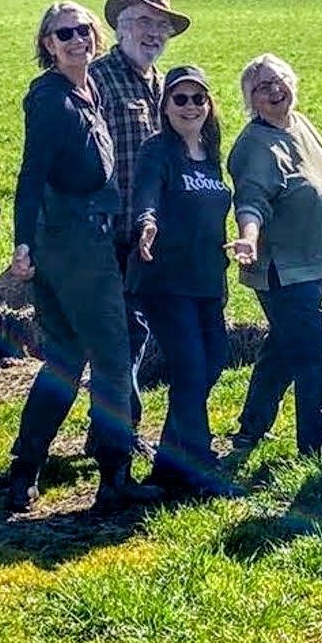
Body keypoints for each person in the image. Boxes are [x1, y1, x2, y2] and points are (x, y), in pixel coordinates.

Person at [5, 1, 162, 513]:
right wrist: (22, 242)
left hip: (80, 238)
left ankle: (23, 470)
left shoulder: (88, 89)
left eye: (83, 31)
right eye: (63, 34)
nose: (77, 40)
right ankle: (114, 479)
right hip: (74, 242)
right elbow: (30, 175)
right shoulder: (52, 99)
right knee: (113, 357)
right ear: (48, 45)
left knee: (66, 359)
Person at [129, 65, 244, 498]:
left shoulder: (211, 153)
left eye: (198, 98)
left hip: (207, 277)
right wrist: (146, 223)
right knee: (192, 368)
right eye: (180, 99)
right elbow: (146, 194)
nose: (190, 106)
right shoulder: (157, 150)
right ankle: (199, 469)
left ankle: (169, 465)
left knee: (213, 360)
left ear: (210, 105)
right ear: (165, 107)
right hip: (164, 278)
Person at [227, 53, 322, 457]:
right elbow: (251, 200)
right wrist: (247, 236)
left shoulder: (300, 124)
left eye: (279, 81)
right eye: (262, 87)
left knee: (284, 346)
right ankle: (316, 450)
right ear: (250, 100)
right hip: (283, 268)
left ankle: (251, 427)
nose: (275, 90)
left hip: (310, 260)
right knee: (314, 349)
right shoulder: (254, 147)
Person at [91, 0, 190, 452]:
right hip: (111, 233)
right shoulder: (98, 79)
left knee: (137, 332)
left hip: (152, 234)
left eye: (162, 26)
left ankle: (107, 435)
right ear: (120, 27)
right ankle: (119, 436)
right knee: (121, 336)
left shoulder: (167, 86)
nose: (153, 34)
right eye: (143, 22)